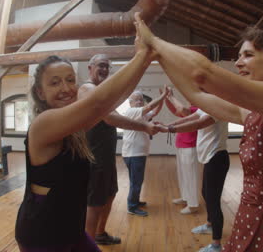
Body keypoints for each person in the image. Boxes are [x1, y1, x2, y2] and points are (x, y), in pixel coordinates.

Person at [134, 13, 263, 252]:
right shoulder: (250, 111)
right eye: (239, 56)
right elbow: (197, 96)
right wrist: (157, 57)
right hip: (251, 212)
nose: (238, 63)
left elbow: (202, 74)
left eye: (247, 55)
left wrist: (153, 41)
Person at [15, 28, 156, 251]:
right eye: (54, 83)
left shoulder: (73, 127)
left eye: (70, 80)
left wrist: (145, 60)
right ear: (40, 93)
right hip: (43, 233)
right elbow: (99, 104)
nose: (66, 88)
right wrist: (141, 56)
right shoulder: (43, 124)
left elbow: (110, 103)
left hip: (70, 228)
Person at [78, 54, 158, 245]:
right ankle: (87, 245)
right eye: (101, 66)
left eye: (107, 67)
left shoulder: (103, 92)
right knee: (95, 202)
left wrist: (140, 66)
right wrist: (145, 127)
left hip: (106, 157)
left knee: (110, 194)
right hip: (94, 157)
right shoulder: (87, 88)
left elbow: (123, 93)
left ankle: (100, 233)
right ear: (90, 68)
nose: (105, 70)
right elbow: (110, 118)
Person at [157, 107, 229, 252]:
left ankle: (216, 245)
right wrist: (167, 125)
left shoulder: (217, 107)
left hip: (217, 158)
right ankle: (209, 225)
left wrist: (169, 129)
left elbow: (197, 124)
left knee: (213, 200)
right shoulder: (205, 106)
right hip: (210, 158)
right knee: (205, 193)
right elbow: (188, 118)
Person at [121, 89, 166, 216]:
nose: (140, 101)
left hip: (138, 153)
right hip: (133, 154)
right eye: (137, 99)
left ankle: (135, 201)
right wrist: (162, 96)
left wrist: (163, 100)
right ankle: (132, 206)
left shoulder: (141, 114)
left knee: (137, 181)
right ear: (130, 102)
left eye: (141, 99)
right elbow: (150, 106)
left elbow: (155, 110)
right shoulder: (132, 112)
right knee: (136, 181)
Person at [161, 87, 200, 214]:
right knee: (183, 175)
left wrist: (171, 96)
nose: (188, 97)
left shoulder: (198, 110)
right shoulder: (191, 109)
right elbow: (175, 109)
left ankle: (193, 204)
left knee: (191, 176)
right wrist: (166, 98)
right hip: (182, 145)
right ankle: (185, 197)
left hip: (191, 145)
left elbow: (183, 110)